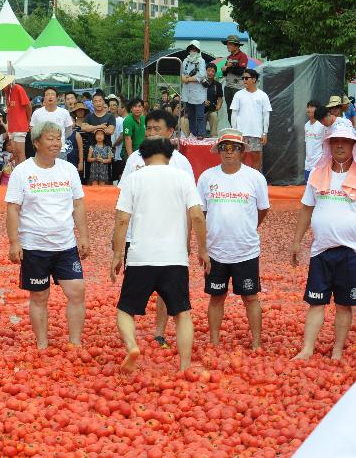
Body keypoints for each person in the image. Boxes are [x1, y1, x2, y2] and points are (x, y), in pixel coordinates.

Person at [110, 137, 210, 373]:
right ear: (170, 156)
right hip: (174, 257)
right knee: (182, 314)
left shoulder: (134, 180)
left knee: (125, 310)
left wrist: (116, 254)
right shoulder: (183, 178)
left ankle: (132, 345)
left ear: (142, 157)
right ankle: (184, 365)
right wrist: (202, 250)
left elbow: (122, 219)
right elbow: (197, 216)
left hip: (141, 256)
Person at [5, 121, 90, 349]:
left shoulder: (68, 170)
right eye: (50, 139)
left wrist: (83, 236)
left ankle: (75, 342)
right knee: (39, 297)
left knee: (77, 291)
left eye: (58, 138)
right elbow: (12, 208)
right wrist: (14, 242)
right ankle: (42, 343)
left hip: (65, 245)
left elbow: (78, 204)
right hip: (34, 246)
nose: (55, 143)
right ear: (36, 143)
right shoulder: (22, 172)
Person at [119, 109, 195, 347]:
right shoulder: (135, 159)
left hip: (171, 237)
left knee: (166, 294)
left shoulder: (182, 163)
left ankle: (159, 331)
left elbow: (191, 208)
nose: (151, 133)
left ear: (170, 132)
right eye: (148, 129)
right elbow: (123, 204)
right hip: (137, 235)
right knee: (140, 291)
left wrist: (188, 239)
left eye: (156, 129)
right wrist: (119, 240)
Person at [197, 129, 270, 349]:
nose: (229, 152)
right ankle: (214, 342)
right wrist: (203, 247)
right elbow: (201, 214)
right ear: (218, 151)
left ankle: (256, 342)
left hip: (246, 250)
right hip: (216, 251)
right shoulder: (207, 177)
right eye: (224, 148)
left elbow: (262, 210)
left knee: (250, 297)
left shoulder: (255, 178)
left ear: (242, 152)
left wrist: (248, 227)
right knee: (216, 297)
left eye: (234, 148)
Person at [291, 125, 356, 361]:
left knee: (344, 304)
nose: (340, 145)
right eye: (335, 141)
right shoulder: (318, 174)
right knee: (315, 303)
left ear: (352, 145)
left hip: (351, 252)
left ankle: (337, 349)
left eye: (345, 141)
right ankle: (307, 348)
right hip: (321, 251)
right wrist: (297, 241)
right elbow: (306, 209)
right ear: (329, 145)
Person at [230, 69, 271, 171]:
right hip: (241, 133)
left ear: (254, 79)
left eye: (246, 78)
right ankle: (240, 182)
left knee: (256, 159)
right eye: (243, 78)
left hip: (257, 133)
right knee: (240, 158)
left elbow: (266, 115)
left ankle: (255, 183)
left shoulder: (263, 95)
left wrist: (265, 133)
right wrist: (234, 131)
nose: (244, 80)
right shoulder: (238, 94)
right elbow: (234, 113)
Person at [0, 73, 31, 165]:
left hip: (20, 126)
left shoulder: (17, 88)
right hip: (12, 127)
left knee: (20, 154)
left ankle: (22, 176)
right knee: (15, 154)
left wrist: (28, 120)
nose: (1, 88)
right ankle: (17, 174)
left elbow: (28, 106)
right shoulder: (7, 92)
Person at [29, 87, 74, 158]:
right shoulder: (37, 113)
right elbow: (33, 130)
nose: (50, 97)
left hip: (59, 149)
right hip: (42, 149)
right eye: (47, 95)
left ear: (57, 97)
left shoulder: (64, 112)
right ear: (44, 98)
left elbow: (68, 130)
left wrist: (60, 138)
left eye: (52, 94)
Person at [81, 94, 116, 183]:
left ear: (104, 102)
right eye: (95, 101)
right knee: (91, 179)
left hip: (106, 151)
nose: (98, 103)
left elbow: (110, 130)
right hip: (91, 152)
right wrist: (100, 126)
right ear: (92, 103)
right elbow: (84, 128)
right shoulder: (89, 116)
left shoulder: (110, 116)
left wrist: (91, 128)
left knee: (106, 180)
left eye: (100, 100)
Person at [180, 41, 208, 137]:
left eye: (195, 49)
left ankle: (201, 133)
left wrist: (188, 79)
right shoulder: (185, 61)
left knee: (200, 115)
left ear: (198, 50)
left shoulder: (201, 61)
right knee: (191, 115)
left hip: (198, 92)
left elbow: (201, 75)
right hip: (187, 92)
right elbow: (182, 74)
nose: (193, 51)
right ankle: (193, 133)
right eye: (191, 49)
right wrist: (184, 78)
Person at [221, 34, 249, 124]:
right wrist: (224, 69)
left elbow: (240, 71)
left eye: (230, 44)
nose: (227, 46)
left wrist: (228, 68)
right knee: (230, 110)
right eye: (227, 44)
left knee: (238, 109)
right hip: (228, 86)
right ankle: (233, 129)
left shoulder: (243, 56)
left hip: (238, 87)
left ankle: (240, 131)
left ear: (236, 46)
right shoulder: (229, 57)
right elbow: (225, 73)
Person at [305, 100, 326, 183]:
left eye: (312, 107)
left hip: (318, 163)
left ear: (318, 109)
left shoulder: (322, 125)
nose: (309, 109)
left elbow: (325, 144)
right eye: (308, 107)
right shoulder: (306, 125)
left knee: (317, 186)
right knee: (308, 184)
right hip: (308, 163)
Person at [203, 63, 223, 136]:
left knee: (214, 115)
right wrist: (203, 101)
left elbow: (220, 98)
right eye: (208, 70)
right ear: (205, 71)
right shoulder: (200, 82)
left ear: (215, 73)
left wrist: (218, 106)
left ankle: (213, 137)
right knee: (201, 118)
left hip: (212, 109)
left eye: (212, 71)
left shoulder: (218, 84)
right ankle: (201, 136)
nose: (210, 73)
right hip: (202, 110)